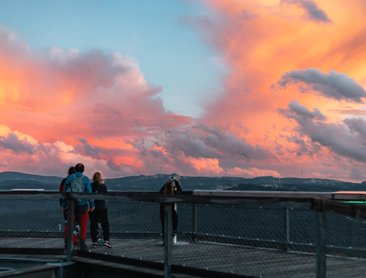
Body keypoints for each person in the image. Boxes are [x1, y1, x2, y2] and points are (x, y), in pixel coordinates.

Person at [63, 163, 95, 251]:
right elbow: (89, 193)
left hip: (71, 204)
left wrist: (63, 205)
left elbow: (65, 191)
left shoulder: (70, 178)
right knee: (83, 224)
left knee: (70, 224)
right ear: (83, 170)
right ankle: (82, 243)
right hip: (82, 205)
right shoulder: (85, 179)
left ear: (75, 169)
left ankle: (69, 243)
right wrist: (92, 205)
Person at [89, 171, 112, 248]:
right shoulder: (103, 186)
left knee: (93, 225)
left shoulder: (90, 186)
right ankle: (106, 240)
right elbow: (105, 196)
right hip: (102, 207)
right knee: (105, 224)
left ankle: (94, 241)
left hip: (93, 208)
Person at [159, 173, 182, 244]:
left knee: (164, 224)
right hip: (171, 209)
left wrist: (167, 183)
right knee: (174, 222)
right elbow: (180, 192)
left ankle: (165, 241)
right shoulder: (173, 191)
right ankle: (171, 238)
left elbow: (160, 192)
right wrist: (177, 183)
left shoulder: (164, 190)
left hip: (162, 209)